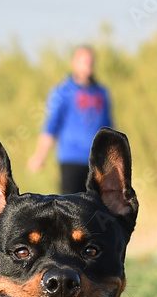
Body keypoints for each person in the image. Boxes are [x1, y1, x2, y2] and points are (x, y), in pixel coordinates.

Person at [27, 46, 114, 194]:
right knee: (70, 206)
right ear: (73, 63)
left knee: (97, 208)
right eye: (83, 61)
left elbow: (109, 127)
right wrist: (40, 155)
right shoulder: (62, 92)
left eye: (90, 61)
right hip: (71, 159)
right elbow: (51, 125)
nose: (87, 64)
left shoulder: (102, 93)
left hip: (97, 161)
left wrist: (113, 158)